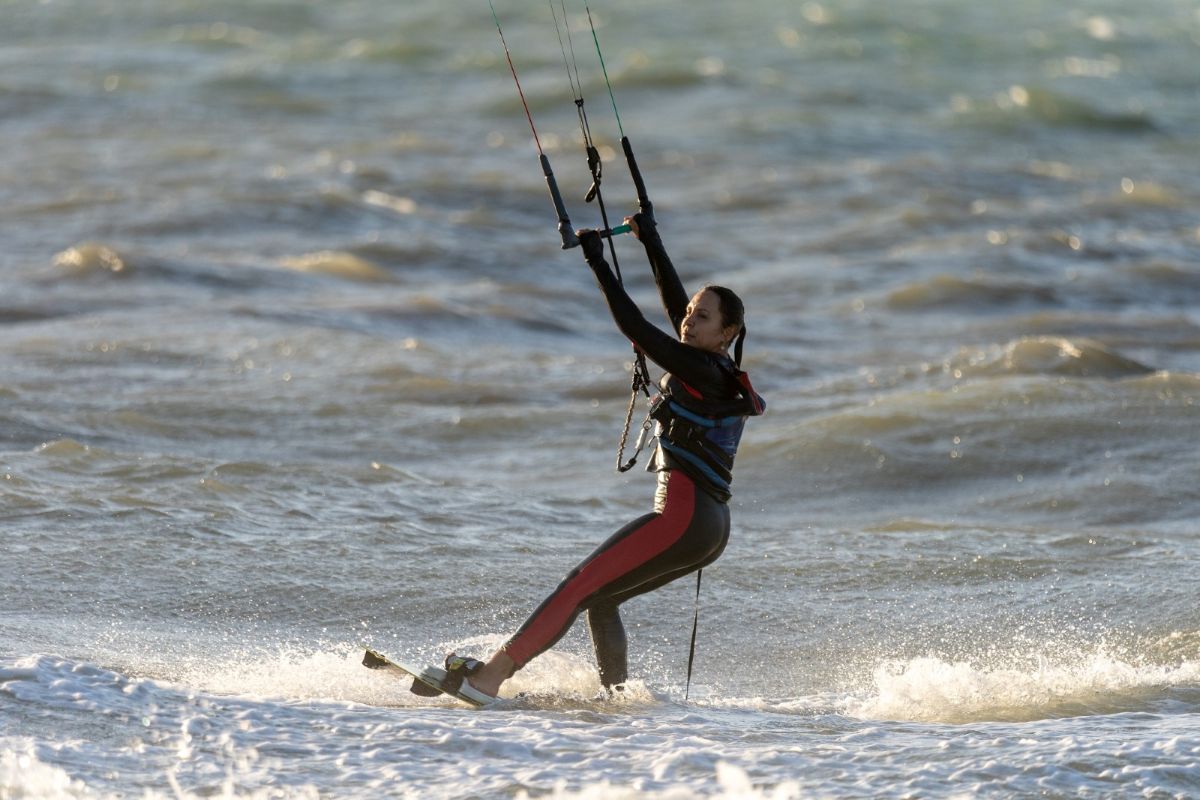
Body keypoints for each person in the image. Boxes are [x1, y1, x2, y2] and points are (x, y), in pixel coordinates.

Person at [446, 212, 764, 704]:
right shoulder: (712, 367)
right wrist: (651, 241)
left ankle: (489, 678)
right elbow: (674, 308)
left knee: (578, 586)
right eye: (691, 312)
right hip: (708, 528)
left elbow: (635, 326)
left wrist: (597, 261)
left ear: (728, 332)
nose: (688, 319)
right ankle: (616, 699)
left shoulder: (702, 370)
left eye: (702, 316)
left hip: (682, 518)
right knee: (603, 599)